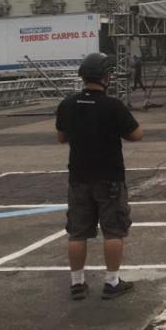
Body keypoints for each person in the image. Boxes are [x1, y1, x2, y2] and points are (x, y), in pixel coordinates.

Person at [56, 52, 143, 301]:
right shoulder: (112, 105)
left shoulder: (68, 104)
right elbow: (136, 134)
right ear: (105, 78)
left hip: (78, 176)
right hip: (109, 176)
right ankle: (112, 281)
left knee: (77, 232)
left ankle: (77, 282)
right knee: (113, 231)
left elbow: (61, 137)